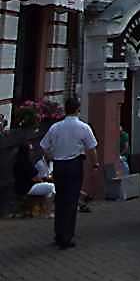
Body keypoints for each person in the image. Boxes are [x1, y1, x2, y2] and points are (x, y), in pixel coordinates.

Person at [40, 96, 99, 250]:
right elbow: (92, 148)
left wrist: (52, 157)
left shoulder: (55, 127)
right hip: (74, 164)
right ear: (78, 109)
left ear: (65, 110)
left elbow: (44, 146)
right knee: (71, 200)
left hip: (59, 165)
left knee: (60, 199)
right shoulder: (83, 127)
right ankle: (67, 236)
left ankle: (59, 234)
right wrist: (95, 164)